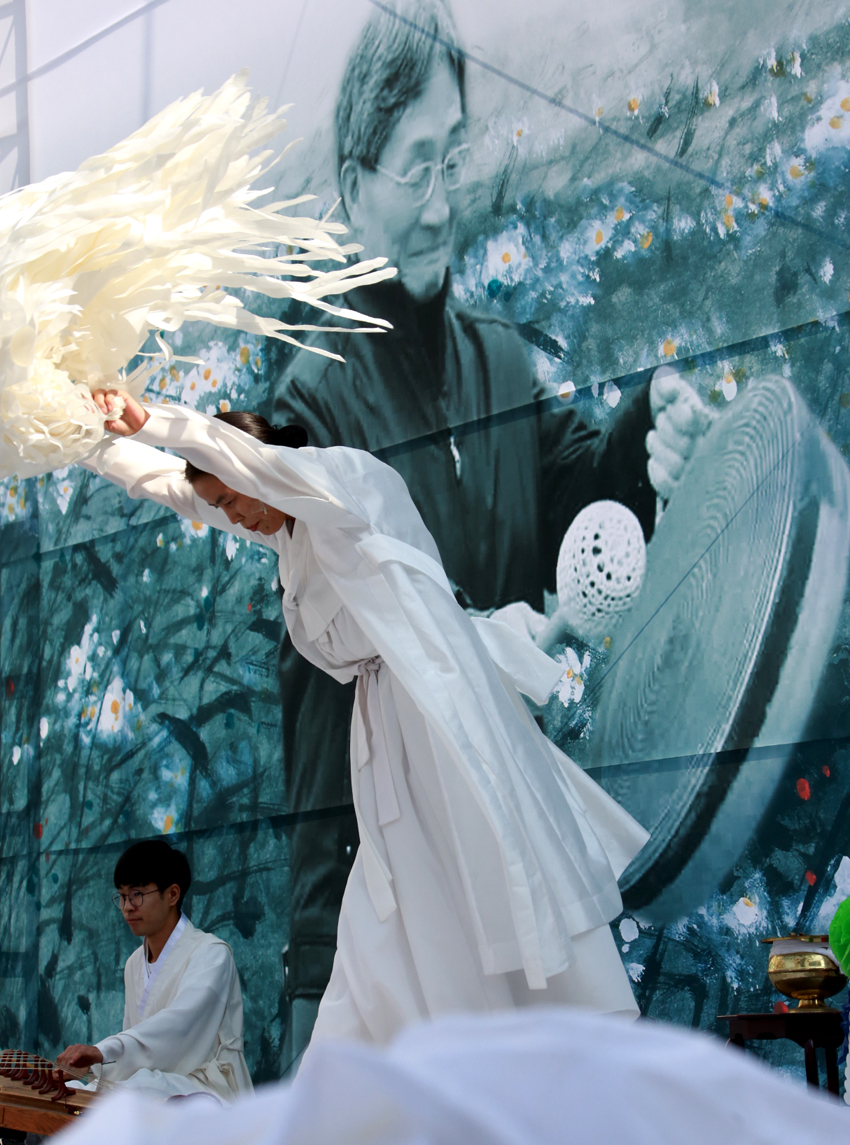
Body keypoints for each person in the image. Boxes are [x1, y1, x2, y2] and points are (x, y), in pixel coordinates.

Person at [271, 0, 712, 1053]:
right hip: (384, 900)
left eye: (453, 160)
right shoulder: (310, 403)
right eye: (413, 167)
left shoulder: (500, 362)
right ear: (353, 187)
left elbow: (580, 490)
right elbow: (334, 656)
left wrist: (648, 430)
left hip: (516, 890)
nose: (437, 204)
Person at [78, 386, 650, 1052]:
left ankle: (523, 1053)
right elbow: (178, 490)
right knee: (395, 908)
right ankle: (406, 1071)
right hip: (392, 725)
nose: (233, 516)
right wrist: (86, 443)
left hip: (437, 710)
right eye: (222, 505)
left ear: (252, 465)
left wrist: (152, 418)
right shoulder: (286, 523)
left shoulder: (339, 482)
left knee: (477, 880)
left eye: (232, 496)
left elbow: (248, 469)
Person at [55, 839, 253, 1101]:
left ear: (172, 894)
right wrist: (101, 1062)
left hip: (207, 1085)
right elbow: (135, 1042)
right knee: (83, 1094)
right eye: (122, 896)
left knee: (131, 1094)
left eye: (137, 894)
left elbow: (179, 1029)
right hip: (149, 1080)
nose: (127, 907)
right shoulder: (134, 963)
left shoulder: (212, 954)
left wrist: (104, 1053)